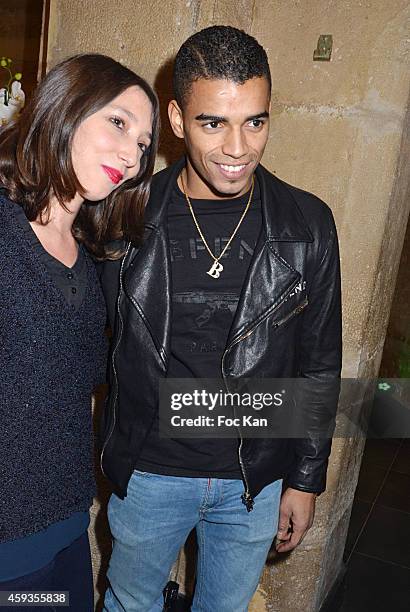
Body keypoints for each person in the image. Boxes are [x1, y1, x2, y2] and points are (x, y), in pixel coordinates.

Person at [100, 26, 341, 612]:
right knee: (131, 604)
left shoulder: (307, 223)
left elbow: (319, 363)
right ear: (178, 119)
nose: (238, 147)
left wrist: (306, 478)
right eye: (215, 123)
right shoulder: (125, 214)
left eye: (254, 121)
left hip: (252, 480)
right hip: (150, 472)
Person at [0, 53, 159, 611]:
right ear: (66, 107)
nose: (132, 155)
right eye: (118, 123)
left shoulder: (92, 260)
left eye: (143, 143)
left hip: (68, 521)